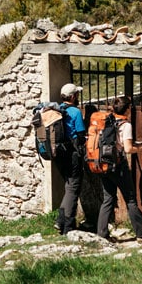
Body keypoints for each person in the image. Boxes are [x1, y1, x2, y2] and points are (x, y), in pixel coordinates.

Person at [96, 96, 142, 243]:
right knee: (130, 199)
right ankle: (141, 234)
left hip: (103, 164)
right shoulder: (125, 125)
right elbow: (127, 148)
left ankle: (101, 235)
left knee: (108, 199)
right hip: (118, 166)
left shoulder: (107, 120)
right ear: (127, 109)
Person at [54, 82, 86, 235]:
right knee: (73, 188)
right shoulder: (75, 112)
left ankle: (60, 221)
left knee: (68, 187)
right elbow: (80, 136)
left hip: (59, 155)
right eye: (77, 94)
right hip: (72, 155)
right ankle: (68, 226)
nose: (78, 97)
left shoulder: (57, 110)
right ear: (73, 96)